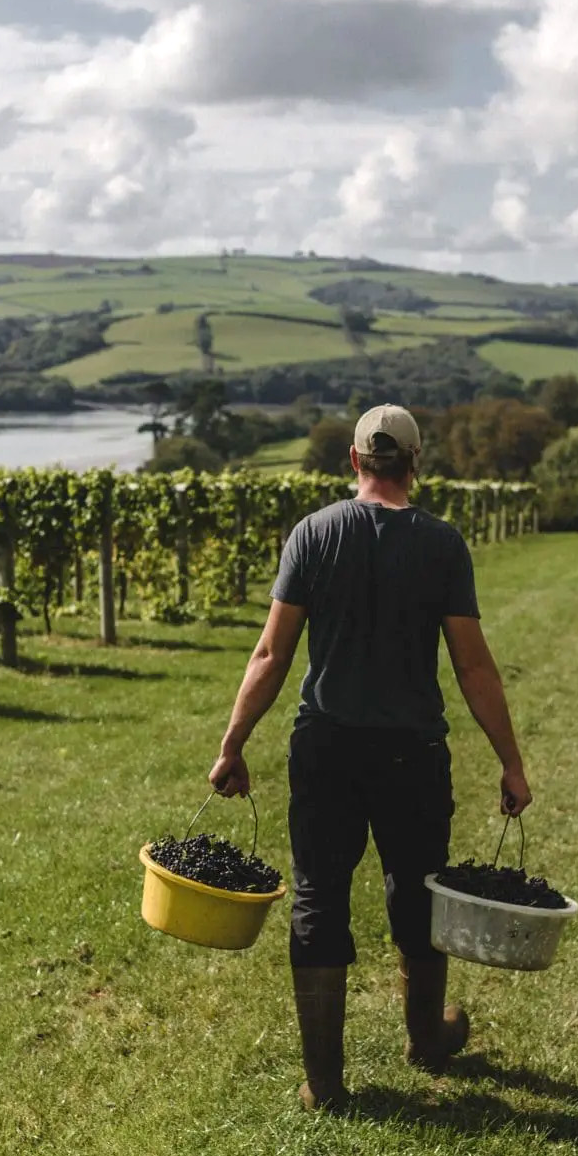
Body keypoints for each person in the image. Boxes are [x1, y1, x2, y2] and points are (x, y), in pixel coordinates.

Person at [207, 403, 532, 1112]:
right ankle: (426, 1036)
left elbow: (271, 652)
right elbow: (474, 666)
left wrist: (233, 742)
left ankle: (324, 1083)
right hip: (411, 754)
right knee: (418, 891)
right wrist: (510, 760)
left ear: (354, 462)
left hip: (325, 747)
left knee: (319, 897)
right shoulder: (442, 545)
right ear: (416, 463)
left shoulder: (313, 534)